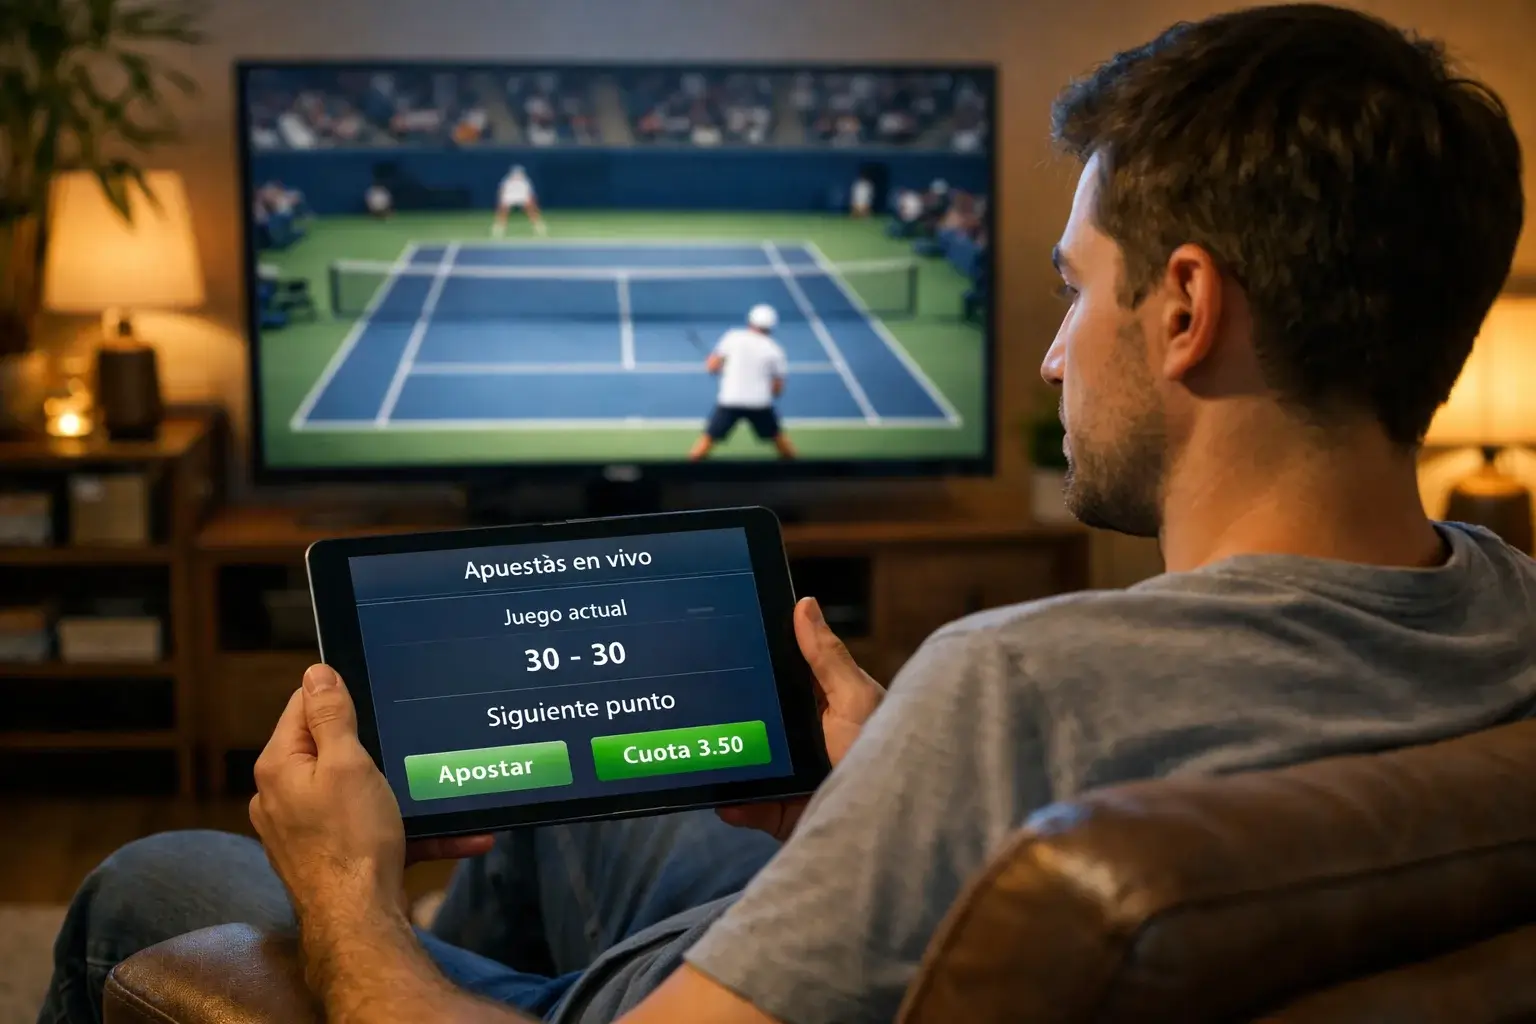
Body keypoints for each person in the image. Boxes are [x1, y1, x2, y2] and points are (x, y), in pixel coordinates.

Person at [40, 6, 1536, 1024]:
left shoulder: (1012, 688)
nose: (1053, 352)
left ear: (1191, 306)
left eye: (1079, 289)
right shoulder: (1512, 612)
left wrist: (349, 906)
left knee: (154, 884)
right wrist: (897, 804)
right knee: (577, 832)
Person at [688, 303, 796, 461]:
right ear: (772, 326)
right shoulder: (776, 350)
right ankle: (800, 470)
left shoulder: (733, 337)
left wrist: (713, 364)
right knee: (779, 440)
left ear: (750, 321)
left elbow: (712, 367)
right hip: (759, 404)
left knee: (707, 441)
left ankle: (688, 471)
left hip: (730, 401)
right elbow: (778, 389)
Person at [492, 164, 547, 238]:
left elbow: (530, 193)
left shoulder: (525, 181)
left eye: (519, 173)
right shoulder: (507, 181)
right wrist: (502, 201)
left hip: (522, 197)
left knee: (532, 211)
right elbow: (502, 191)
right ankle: (499, 229)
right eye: (516, 173)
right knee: (503, 212)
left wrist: (532, 202)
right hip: (509, 197)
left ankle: (539, 227)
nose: (517, 175)